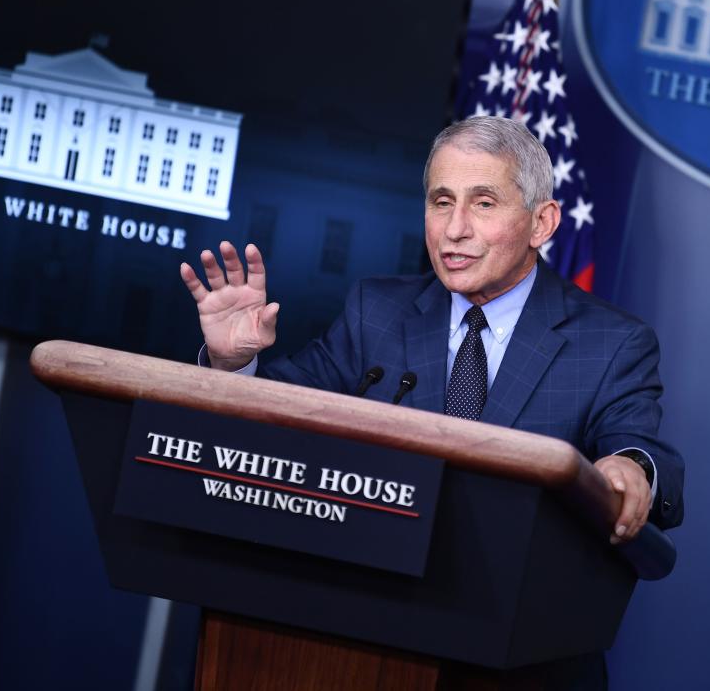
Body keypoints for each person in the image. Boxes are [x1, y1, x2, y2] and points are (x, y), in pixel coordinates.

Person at [181, 116, 683, 543]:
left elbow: (636, 448)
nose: (454, 228)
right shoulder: (376, 311)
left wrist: (631, 469)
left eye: (484, 203)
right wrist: (232, 364)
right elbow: (276, 414)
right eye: (442, 202)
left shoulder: (611, 344)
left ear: (542, 224)